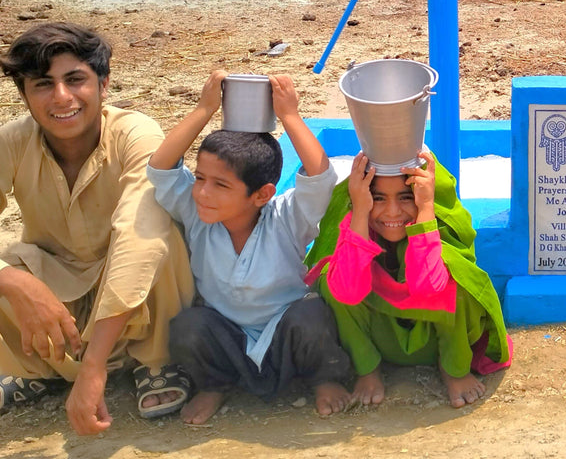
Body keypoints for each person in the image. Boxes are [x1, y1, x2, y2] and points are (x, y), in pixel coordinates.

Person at [0, 22, 194, 434]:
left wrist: (93, 368)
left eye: (75, 80)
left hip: (134, 293)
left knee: (159, 237)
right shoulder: (12, 141)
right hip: (61, 296)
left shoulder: (134, 132)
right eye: (42, 84)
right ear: (24, 95)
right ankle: (41, 369)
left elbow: (137, 237)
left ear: (103, 85)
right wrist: (15, 282)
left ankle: (154, 359)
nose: (62, 98)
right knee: (11, 265)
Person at [148, 70, 351, 424]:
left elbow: (320, 178)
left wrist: (289, 115)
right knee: (188, 326)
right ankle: (213, 384)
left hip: (285, 333)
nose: (202, 192)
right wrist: (203, 109)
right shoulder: (198, 214)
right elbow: (161, 169)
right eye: (199, 179)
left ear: (262, 195)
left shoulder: (287, 217)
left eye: (220, 185)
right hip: (227, 337)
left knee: (312, 315)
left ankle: (324, 379)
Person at [306, 149, 512, 408]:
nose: (392, 212)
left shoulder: (441, 224)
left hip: (435, 337)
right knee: (334, 278)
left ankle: (454, 369)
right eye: (378, 198)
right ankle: (368, 370)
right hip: (383, 339)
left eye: (406, 197)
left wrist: (425, 210)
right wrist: (360, 211)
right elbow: (347, 292)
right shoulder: (356, 223)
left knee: (455, 278)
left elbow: (429, 288)